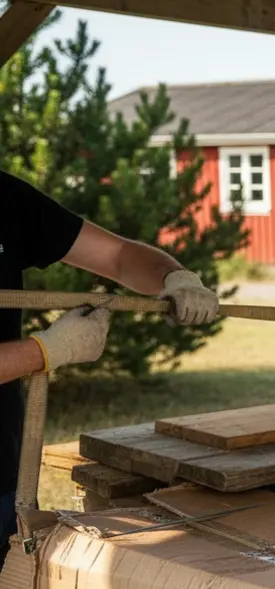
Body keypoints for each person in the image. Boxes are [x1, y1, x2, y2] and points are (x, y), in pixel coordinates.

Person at [0, 170, 220, 566]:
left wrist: (175, 277)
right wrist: (48, 350)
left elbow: (118, 256)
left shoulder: (4, 198)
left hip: (1, 474)